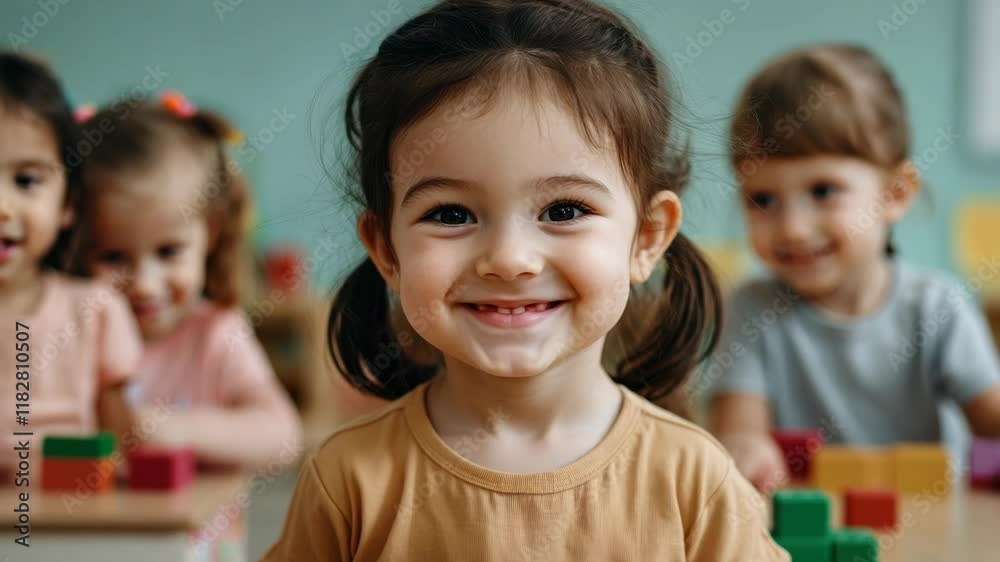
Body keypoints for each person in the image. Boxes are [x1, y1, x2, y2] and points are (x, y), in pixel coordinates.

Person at [262, 1, 789, 560]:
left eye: (563, 210)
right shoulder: (348, 481)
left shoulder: (694, 485)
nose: (510, 259)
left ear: (647, 238)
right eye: (450, 214)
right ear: (386, 250)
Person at [707, 43, 1000, 489]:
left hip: (927, 533)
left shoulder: (938, 306)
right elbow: (737, 431)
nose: (794, 229)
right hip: (804, 537)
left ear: (896, 193)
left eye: (823, 191)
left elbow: (991, 421)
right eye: (762, 199)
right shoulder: (751, 309)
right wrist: (743, 448)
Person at [80, 95, 301, 468]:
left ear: (211, 234)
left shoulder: (217, 333)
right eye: (113, 257)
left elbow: (284, 438)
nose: (145, 285)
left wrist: (177, 429)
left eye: (168, 252)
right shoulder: (67, 335)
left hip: (199, 529)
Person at [0, 52, 140, 478]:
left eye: (26, 180)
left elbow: (121, 449)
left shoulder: (95, 310)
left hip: (74, 520)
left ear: (69, 204)